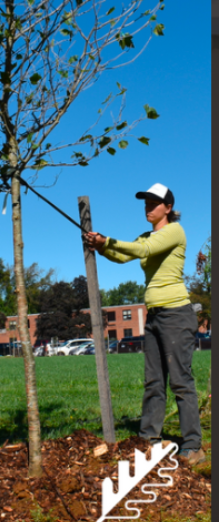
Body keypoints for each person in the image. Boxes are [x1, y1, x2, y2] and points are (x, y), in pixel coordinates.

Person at [84, 183, 206, 467]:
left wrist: (107, 239)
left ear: (168, 207)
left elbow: (143, 250)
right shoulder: (145, 236)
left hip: (176, 314)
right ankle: (148, 440)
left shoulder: (175, 231)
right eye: (145, 203)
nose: (148, 208)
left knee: (180, 381)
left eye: (154, 203)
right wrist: (101, 246)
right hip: (154, 316)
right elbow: (124, 255)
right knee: (153, 381)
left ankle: (193, 446)